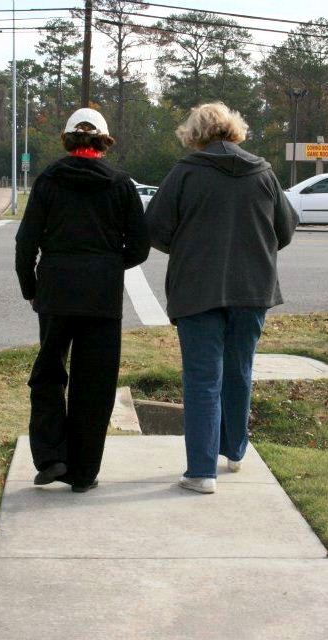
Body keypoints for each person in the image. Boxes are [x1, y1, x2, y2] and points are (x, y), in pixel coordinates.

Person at [146, 102, 299, 494]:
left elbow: (155, 228)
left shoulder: (185, 173)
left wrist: (186, 247)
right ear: (234, 129)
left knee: (202, 378)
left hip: (197, 289)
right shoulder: (263, 172)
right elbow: (285, 230)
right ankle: (233, 451)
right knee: (239, 371)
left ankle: (201, 471)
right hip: (253, 289)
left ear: (194, 134)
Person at [15, 108, 150, 493]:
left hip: (55, 291)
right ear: (103, 142)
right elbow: (139, 246)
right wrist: (109, 265)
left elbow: (26, 241)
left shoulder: (48, 181)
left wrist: (31, 287)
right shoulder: (121, 184)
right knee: (96, 382)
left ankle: (52, 456)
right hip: (102, 297)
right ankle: (84, 472)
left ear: (69, 140)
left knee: (49, 374)